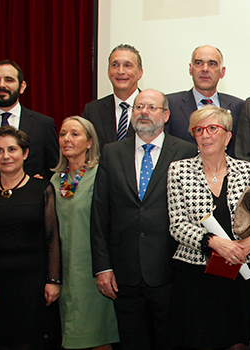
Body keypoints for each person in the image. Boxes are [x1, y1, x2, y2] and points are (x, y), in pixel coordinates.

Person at [90, 89, 196, 350]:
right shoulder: (112, 153)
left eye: (151, 107)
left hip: (169, 270)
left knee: (170, 341)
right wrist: (103, 267)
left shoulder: (185, 151)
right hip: (124, 273)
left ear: (166, 115)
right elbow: (100, 214)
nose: (144, 112)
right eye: (138, 107)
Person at [166, 106, 250, 349]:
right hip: (197, 274)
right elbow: (177, 225)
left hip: (240, 269)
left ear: (228, 136)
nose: (205, 135)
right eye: (198, 130)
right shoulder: (179, 170)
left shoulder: (248, 170)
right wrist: (213, 242)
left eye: (212, 128)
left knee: (239, 342)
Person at [0, 126, 61, 349]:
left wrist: (53, 280)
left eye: (12, 149)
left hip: (33, 286)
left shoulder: (43, 188)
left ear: (25, 153)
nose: (5, 156)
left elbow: (52, 237)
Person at [51, 116, 119, 349]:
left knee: (98, 336)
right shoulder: (55, 180)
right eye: (62, 134)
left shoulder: (101, 174)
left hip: (94, 271)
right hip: (66, 272)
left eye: (74, 134)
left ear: (90, 142)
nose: (67, 139)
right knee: (71, 334)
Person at [0, 59, 58, 178]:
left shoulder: (43, 124)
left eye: (9, 80)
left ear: (22, 86)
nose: (1, 85)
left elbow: (53, 170)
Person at [166, 45, 245, 154]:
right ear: (190, 69)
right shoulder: (170, 104)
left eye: (212, 64)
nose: (205, 69)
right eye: (199, 63)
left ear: (222, 72)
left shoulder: (239, 107)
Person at [82, 44, 142, 148]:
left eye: (127, 65)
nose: (120, 71)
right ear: (109, 72)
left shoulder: (154, 109)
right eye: (115, 65)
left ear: (140, 73)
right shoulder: (93, 110)